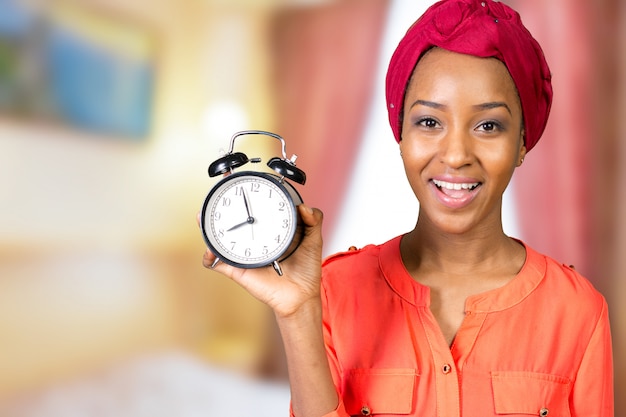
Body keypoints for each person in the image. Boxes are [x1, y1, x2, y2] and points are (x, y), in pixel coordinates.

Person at [201, 0, 614, 416]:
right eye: (429, 122)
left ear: (522, 141)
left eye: (488, 125)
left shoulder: (578, 311)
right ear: (400, 135)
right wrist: (296, 316)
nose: (455, 156)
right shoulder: (333, 292)